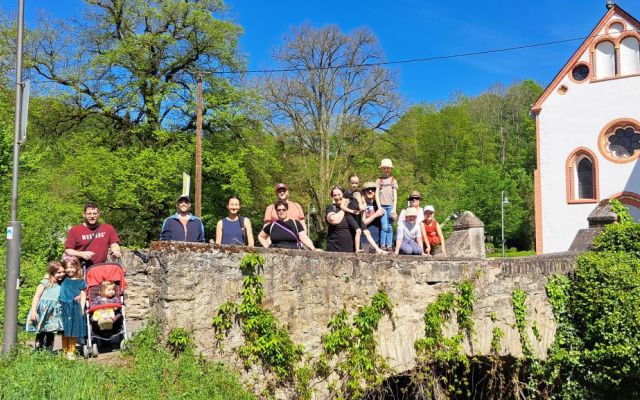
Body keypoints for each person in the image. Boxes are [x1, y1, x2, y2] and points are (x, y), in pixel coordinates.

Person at [65, 202, 122, 268]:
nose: (92, 216)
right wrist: (81, 254)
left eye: (94, 213)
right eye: (89, 214)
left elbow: (114, 244)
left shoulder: (108, 228)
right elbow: (68, 250)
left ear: (98, 214)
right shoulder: (75, 230)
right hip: (81, 269)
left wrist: (116, 250)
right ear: (84, 214)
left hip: (101, 267)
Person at [25, 261, 65, 351]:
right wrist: (33, 311)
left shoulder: (61, 283)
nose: (62, 274)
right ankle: (38, 350)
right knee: (41, 331)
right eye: (59, 272)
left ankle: (49, 352)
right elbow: (36, 296)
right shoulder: (45, 282)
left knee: (51, 331)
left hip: (53, 312)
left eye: (63, 272)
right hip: (42, 311)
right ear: (52, 272)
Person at [59, 257, 87, 359]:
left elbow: (83, 294)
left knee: (73, 331)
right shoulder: (63, 279)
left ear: (77, 267)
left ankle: (71, 351)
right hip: (63, 307)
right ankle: (64, 351)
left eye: (72, 267)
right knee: (64, 330)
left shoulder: (80, 281)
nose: (69, 270)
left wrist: (82, 308)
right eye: (67, 267)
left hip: (75, 307)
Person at [375, 159, 398, 251]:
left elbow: (395, 196)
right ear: (382, 169)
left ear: (391, 169)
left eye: (388, 168)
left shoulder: (393, 180)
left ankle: (389, 245)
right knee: (384, 226)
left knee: (390, 227)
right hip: (382, 206)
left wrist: (394, 208)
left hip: (390, 206)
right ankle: (382, 244)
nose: (386, 170)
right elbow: (376, 195)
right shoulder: (379, 181)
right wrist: (379, 207)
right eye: (384, 168)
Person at [360, 182, 386, 253]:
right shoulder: (361, 205)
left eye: (372, 189)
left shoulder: (379, 205)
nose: (370, 191)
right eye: (367, 189)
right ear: (364, 191)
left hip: (377, 240)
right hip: (364, 240)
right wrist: (375, 215)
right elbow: (363, 223)